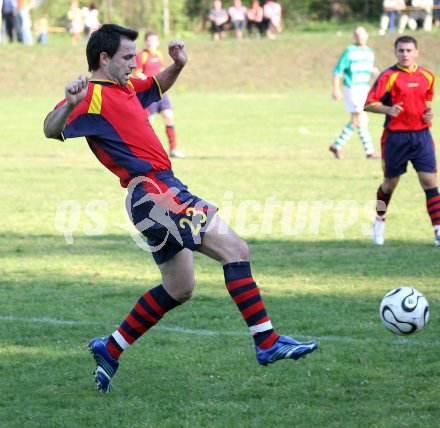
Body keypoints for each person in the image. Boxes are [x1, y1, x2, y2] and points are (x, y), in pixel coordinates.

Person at [43, 24, 318, 393]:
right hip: (153, 191)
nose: (134, 63)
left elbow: (157, 86)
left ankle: (111, 347)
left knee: (180, 287)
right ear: (103, 58)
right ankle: (266, 341)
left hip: (153, 195)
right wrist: (70, 104)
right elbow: (49, 127)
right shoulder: (90, 95)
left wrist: (178, 66)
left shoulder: (125, 86)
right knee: (235, 250)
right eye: (127, 57)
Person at [364, 35, 440, 246]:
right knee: (389, 185)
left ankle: (438, 230)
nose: (405, 54)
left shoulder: (428, 76)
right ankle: (379, 218)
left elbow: (426, 101)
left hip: (422, 136)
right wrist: (389, 109)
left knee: (430, 182)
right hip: (395, 137)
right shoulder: (388, 76)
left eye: (408, 50)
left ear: (416, 52)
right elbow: (369, 104)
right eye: (401, 51)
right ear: (396, 52)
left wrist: (428, 114)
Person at [329, 26, 380, 160]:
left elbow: (371, 69)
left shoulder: (369, 52)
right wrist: (336, 89)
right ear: (354, 36)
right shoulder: (349, 51)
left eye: (362, 34)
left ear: (367, 35)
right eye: (357, 34)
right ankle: (369, 152)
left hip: (364, 89)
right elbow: (337, 71)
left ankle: (337, 145)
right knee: (360, 117)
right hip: (352, 88)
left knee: (357, 120)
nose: (360, 37)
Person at [133, 31, 184, 159]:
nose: (151, 43)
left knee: (169, 117)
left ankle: (173, 149)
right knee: (147, 124)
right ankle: (143, 152)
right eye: (149, 40)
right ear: (145, 42)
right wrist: (149, 81)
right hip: (150, 94)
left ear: (158, 42)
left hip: (163, 93)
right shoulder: (141, 55)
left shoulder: (159, 54)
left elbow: (162, 71)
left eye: (153, 40)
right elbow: (136, 72)